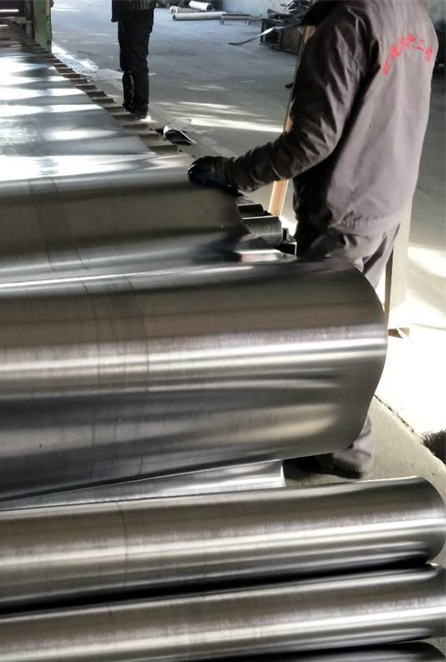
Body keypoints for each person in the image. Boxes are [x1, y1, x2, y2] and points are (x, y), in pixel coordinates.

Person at [188, 0, 438, 478]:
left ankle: (345, 451)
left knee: (330, 337)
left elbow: (312, 140)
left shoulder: (347, 26)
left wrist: (234, 173)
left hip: (344, 209)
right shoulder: (416, 19)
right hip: (387, 199)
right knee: (356, 328)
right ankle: (331, 439)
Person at [112, 0, 157, 119]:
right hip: (125, 12)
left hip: (140, 12)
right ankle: (129, 103)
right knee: (127, 61)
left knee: (137, 62)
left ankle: (140, 106)